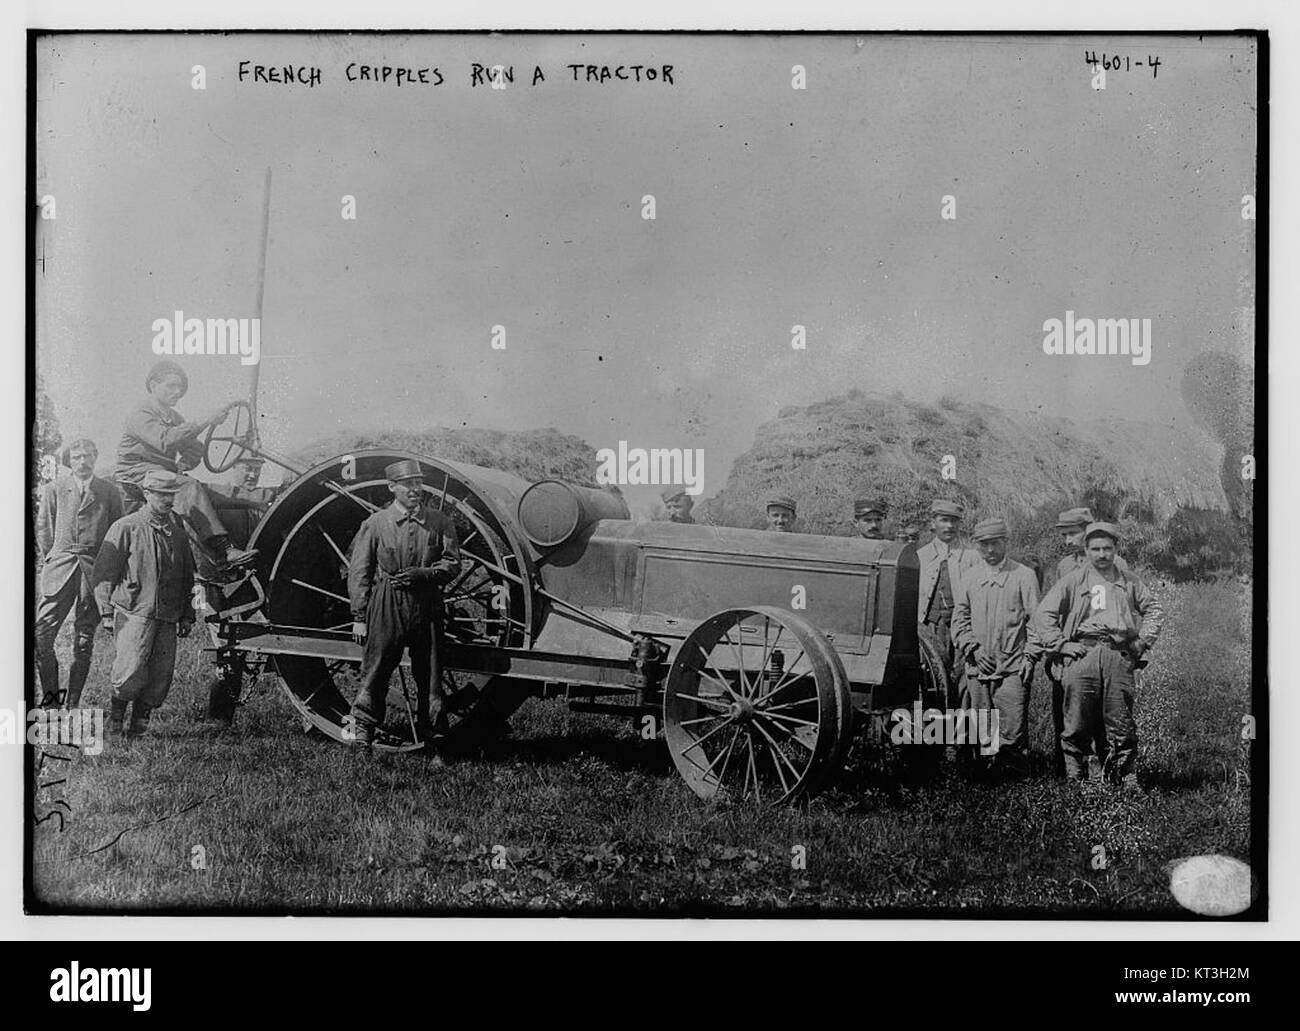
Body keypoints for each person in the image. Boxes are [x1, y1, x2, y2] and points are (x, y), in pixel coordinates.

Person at [1034, 522, 1164, 784]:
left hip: (1118, 654)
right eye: (1096, 549)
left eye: (1107, 548)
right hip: (1084, 653)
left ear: (1116, 549)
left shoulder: (1129, 580)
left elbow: (1155, 610)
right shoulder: (1073, 579)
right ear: (1087, 549)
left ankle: (1126, 778)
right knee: (1077, 719)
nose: (1102, 554)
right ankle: (1076, 779)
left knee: (1120, 719)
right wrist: (1060, 645)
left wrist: (1142, 642)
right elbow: (1043, 614)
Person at [347, 460, 461, 748]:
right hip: (387, 603)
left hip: (427, 604)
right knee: (375, 669)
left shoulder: (439, 522)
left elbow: (453, 563)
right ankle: (363, 737)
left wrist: (426, 573)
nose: (414, 489)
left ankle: (435, 741)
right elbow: (360, 572)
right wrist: (359, 616)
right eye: (408, 484)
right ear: (392, 487)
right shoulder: (375, 524)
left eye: (418, 483)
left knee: (431, 676)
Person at [115, 359, 257, 573]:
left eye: (180, 388)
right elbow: (165, 440)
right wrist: (206, 420)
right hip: (135, 475)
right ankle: (224, 550)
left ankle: (269, 499)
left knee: (216, 492)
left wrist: (183, 465)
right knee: (189, 487)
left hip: (163, 475)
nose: (177, 392)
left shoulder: (173, 417)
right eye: (171, 386)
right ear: (153, 386)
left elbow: (195, 448)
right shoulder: (140, 414)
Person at [90, 470, 197, 739]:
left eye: (171, 495)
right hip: (134, 611)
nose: (168, 500)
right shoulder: (126, 527)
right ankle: (115, 725)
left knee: (160, 676)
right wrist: (105, 611)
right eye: (162, 494)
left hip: (168, 615)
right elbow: (104, 572)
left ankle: (138, 730)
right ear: (147, 494)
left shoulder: (178, 534)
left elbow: (189, 578)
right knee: (130, 669)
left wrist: (188, 614)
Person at [35, 438, 123, 709]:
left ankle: (72, 704)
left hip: (92, 572)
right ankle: (51, 702)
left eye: (87, 456)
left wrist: (106, 572)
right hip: (59, 568)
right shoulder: (55, 489)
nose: (82, 462)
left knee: (84, 640)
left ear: (95, 458)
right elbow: (44, 530)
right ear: (68, 461)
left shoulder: (109, 491)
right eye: (76, 457)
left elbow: (116, 532)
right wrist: (53, 557)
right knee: (42, 635)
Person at [950, 517, 1042, 776]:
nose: (990, 551)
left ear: (1006, 542)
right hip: (978, 668)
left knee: (1012, 730)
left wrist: (1030, 657)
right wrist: (974, 650)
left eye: (995, 544)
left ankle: (1014, 785)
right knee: (982, 729)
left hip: (1012, 668)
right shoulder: (970, 578)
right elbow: (959, 620)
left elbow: (1036, 623)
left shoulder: (1024, 576)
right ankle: (987, 786)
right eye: (984, 545)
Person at [1043, 506, 1127, 775]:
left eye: (1072, 533)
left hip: (1105, 649)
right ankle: (1070, 770)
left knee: (1105, 712)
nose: (1068, 541)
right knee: (1070, 711)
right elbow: (1054, 612)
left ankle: (1108, 767)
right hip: (1072, 650)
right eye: (1064, 535)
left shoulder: (1116, 565)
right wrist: (1057, 649)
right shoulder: (1065, 567)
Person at [916, 499, 981, 679]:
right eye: (944, 520)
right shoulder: (921, 556)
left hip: (962, 627)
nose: (949, 526)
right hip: (931, 626)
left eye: (954, 521)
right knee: (931, 673)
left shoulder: (972, 557)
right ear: (933, 522)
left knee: (962, 672)